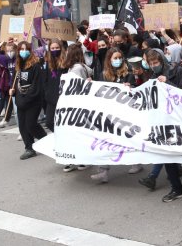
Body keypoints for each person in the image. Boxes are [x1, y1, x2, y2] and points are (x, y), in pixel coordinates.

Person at [137, 48, 182, 194]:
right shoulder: (152, 75)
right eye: (151, 63)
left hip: (177, 117)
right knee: (165, 150)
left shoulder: (177, 71)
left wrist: (167, 83)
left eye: (156, 62)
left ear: (162, 60)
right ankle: (170, 184)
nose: (154, 65)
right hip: (163, 118)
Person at [91, 47, 141, 182]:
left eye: (119, 58)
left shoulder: (128, 74)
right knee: (104, 139)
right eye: (115, 58)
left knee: (128, 138)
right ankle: (103, 171)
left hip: (125, 113)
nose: (118, 60)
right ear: (109, 60)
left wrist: (130, 87)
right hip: (109, 113)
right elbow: (98, 91)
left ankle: (136, 162)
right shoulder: (103, 75)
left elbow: (136, 91)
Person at [9, 41, 47, 160]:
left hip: (33, 100)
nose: (23, 51)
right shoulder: (18, 66)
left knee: (31, 124)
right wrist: (13, 90)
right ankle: (29, 148)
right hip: (21, 100)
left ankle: (44, 139)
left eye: (25, 49)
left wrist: (27, 98)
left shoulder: (35, 66)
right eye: (21, 49)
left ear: (29, 51)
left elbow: (37, 85)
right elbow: (16, 82)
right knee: (22, 126)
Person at [60, 44, 92, 172]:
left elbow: (76, 86)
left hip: (76, 104)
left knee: (75, 132)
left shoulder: (77, 68)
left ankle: (77, 159)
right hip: (76, 104)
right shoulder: (77, 67)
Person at [42, 39, 66, 133]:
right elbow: (45, 79)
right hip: (51, 98)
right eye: (52, 48)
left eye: (57, 48)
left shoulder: (66, 62)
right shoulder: (48, 62)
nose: (55, 50)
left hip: (63, 97)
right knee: (49, 122)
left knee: (62, 122)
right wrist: (46, 93)